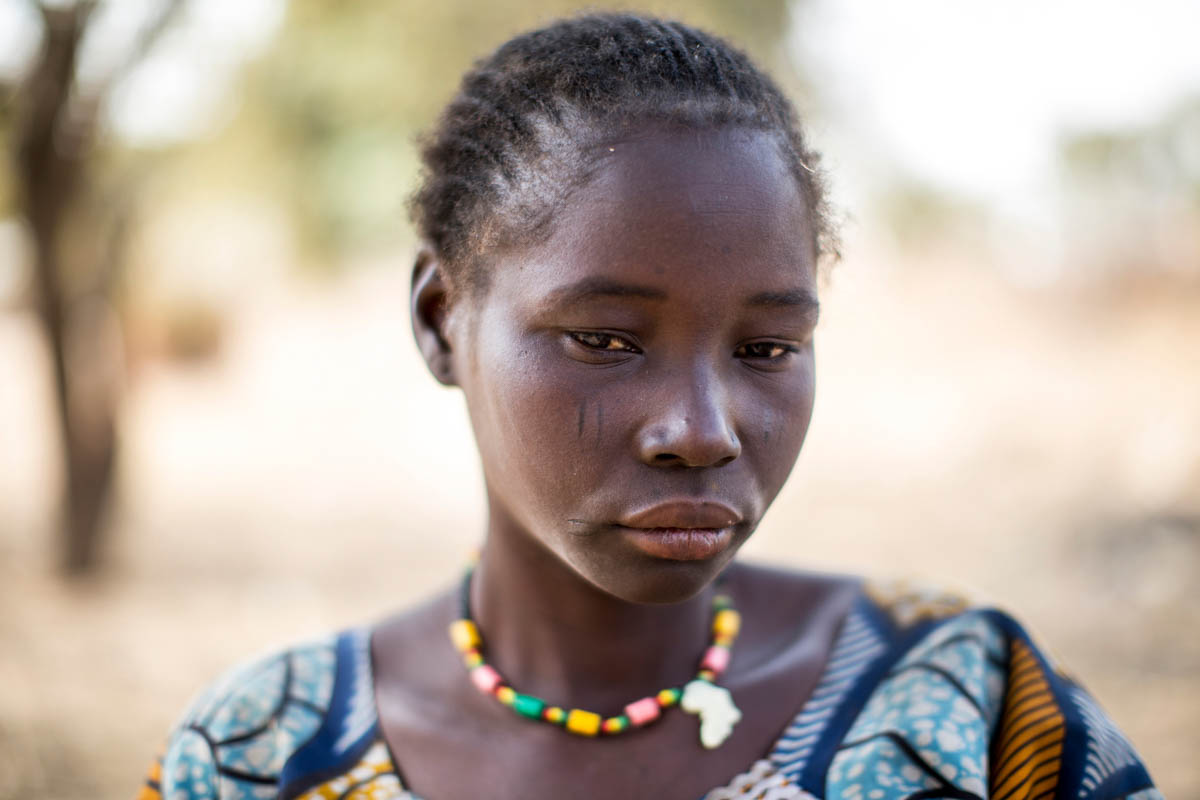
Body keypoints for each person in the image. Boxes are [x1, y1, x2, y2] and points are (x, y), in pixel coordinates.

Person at [137, 13, 1160, 800]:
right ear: (442, 317)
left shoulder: (968, 708)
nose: (705, 428)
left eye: (768, 348)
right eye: (606, 339)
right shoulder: (261, 753)